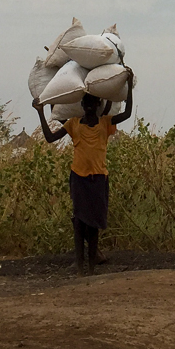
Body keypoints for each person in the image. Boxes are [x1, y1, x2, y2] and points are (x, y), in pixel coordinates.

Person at [33, 65, 134, 276]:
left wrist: (129, 87)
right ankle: (79, 267)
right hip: (78, 177)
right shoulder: (74, 124)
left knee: (94, 224)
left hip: (98, 178)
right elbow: (50, 138)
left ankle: (90, 267)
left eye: (92, 102)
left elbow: (126, 113)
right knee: (79, 221)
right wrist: (41, 112)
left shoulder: (105, 123)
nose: (88, 106)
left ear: (98, 104)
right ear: (81, 104)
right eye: (85, 103)